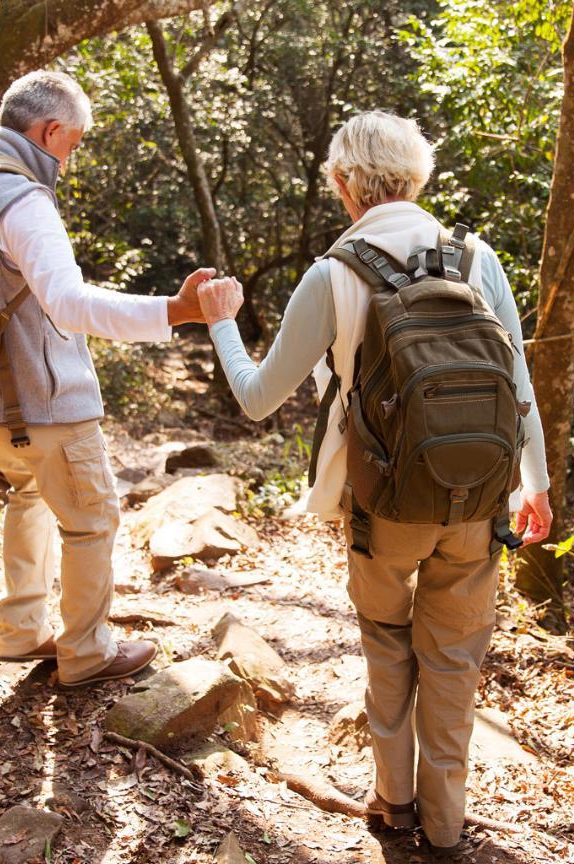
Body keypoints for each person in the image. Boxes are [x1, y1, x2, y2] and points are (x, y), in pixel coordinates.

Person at [195, 111, 552, 854]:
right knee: (454, 659)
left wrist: (221, 321)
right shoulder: (476, 258)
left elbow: (257, 398)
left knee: (388, 644)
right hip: (479, 500)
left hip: (382, 506)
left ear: (342, 183)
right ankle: (447, 825)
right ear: (418, 176)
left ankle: (393, 805)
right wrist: (535, 485)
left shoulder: (335, 274)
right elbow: (516, 379)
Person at [0, 70, 212, 687]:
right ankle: (86, 653)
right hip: (42, 403)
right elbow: (69, 303)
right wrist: (175, 309)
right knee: (93, 519)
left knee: (29, 494)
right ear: (50, 130)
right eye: (74, 142)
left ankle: (22, 632)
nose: (72, 156)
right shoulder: (21, 198)